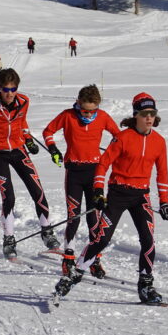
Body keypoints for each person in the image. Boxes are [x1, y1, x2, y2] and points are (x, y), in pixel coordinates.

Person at [52, 92, 168, 304]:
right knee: (101, 239)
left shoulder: (159, 142)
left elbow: (162, 173)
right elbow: (103, 164)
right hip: (118, 194)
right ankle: (75, 273)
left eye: (152, 113)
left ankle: (145, 286)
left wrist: (164, 202)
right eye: (145, 113)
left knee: (149, 240)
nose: (149, 118)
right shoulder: (123, 138)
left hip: (141, 196)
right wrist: (98, 190)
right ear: (136, 115)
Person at [0, 68, 59, 259]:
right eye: (5, 89)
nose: (9, 94)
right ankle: (9, 238)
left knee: (37, 190)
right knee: (8, 197)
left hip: (18, 150)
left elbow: (22, 123)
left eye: (13, 89)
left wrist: (28, 140)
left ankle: (47, 232)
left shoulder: (24, 101)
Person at [42, 84, 120, 278]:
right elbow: (47, 131)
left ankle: (94, 258)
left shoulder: (102, 117)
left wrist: (110, 153)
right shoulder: (68, 115)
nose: (88, 115)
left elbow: (119, 137)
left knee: (94, 217)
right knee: (73, 215)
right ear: (78, 103)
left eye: (93, 111)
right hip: (74, 171)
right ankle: (68, 256)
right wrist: (53, 149)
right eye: (84, 111)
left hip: (95, 172)